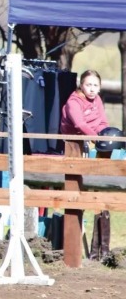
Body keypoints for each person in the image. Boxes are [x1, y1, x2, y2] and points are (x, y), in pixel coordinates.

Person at [59, 69, 110, 261]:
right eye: (88, 85)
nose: (92, 89)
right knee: (76, 188)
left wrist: (106, 136)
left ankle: (101, 251)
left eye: (95, 85)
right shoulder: (74, 102)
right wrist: (96, 139)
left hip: (93, 142)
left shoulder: (97, 100)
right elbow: (79, 124)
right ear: (81, 84)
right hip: (74, 145)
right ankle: (74, 247)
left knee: (102, 188)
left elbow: (102, 122)